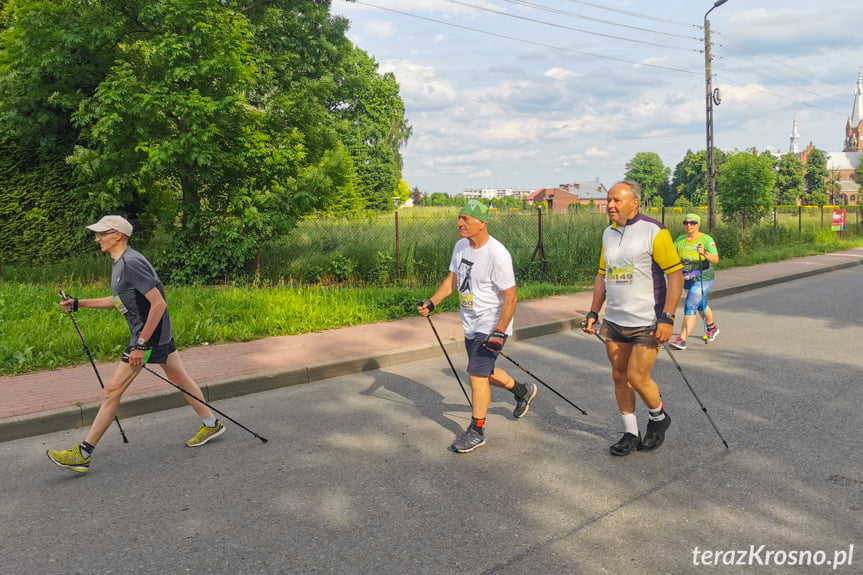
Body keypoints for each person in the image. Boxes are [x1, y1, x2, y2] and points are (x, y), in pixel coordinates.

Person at [47, 215, 225, 473]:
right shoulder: (120, 263)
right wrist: (79, 303)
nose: (97, 239)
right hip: (154, 334)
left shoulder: (132, 263)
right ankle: (212, 424)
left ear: (118, 235)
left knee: (112, 390)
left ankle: (83, 453)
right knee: (180, 378)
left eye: (102, 234)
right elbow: (119, 300)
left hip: (147, 336)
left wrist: (141, 344)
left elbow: (159, 303)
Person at [418, 200, 537, 453]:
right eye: (459, 218)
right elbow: (452, 280)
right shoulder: (461, 246)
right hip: (470, 321)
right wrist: (432, 301)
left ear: (481, 224)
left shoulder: (498, 254)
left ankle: (477, 430)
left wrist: (499, 330)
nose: (459, 223)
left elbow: (511, 296)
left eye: (465, 219)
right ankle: (522, 390)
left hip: (492, 322)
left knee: (476, 374)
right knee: (482, 370)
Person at [581, 181, 684, 456]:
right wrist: (593, 311)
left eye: (616, 200)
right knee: (619, 376)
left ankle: (659, 417)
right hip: (615, 320)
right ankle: (629, 432)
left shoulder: (654, 231)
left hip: (647, 320)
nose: (610, 205)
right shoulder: (608, 234)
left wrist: (668, 317)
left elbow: (675, 275)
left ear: (634, 203)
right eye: (608, 200)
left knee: (637, 377)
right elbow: (603, 274)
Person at [669, 213, 720, 350]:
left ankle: (682, 339)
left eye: (692, 222)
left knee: (690, 304)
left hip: (703, 277)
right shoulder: (680, 240)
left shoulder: (706, 239)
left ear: (698, 224)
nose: (689, 225)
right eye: (686, 222)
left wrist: (704, 253)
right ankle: (712, 327)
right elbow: (672, 257)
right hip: (686, 278)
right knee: (700, 304)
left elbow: (715, 260)